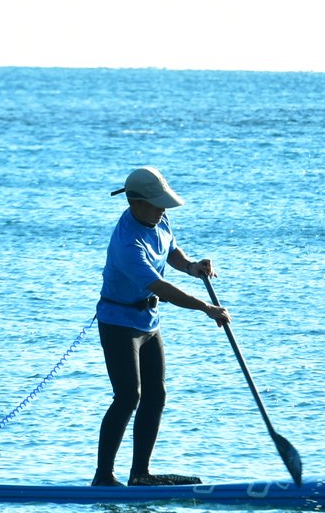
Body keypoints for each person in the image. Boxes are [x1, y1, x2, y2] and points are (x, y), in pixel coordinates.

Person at [93, 165, 229, 487]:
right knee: (128, 396)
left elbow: (171, 252)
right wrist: (206, 308)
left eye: (163, 203)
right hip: (118, 323)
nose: (162, 209)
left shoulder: (159, 218)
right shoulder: (127, 245)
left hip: (148, 322)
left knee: (156, 394)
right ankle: (103, 477)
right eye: (156, 204)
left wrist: (193, 267)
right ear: (135, 202)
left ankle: (140, 474)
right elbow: (162, 288)